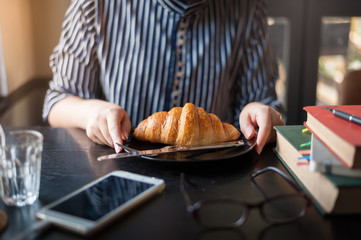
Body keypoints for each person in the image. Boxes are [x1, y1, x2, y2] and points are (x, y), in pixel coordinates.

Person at [43, 0, 285, 154]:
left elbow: (264, 104)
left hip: (212, 184)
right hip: (120, 177)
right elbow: (58, 101)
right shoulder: (95, 5)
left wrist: (259, 114)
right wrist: (93, 114)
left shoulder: (248, 9)